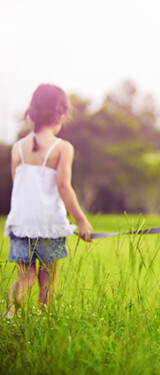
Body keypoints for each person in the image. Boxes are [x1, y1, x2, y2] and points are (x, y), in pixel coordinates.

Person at [2, 83, 93, 318]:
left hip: (21, 224)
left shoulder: (18, 148)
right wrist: (81, 221)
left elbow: (18, 185)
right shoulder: (62, 148)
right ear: (60, 115)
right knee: (48, 280)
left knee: (25, 277)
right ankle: (45, 321)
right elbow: (64, 187)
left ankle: (8, 315)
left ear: (31, 114)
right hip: (49, 225)